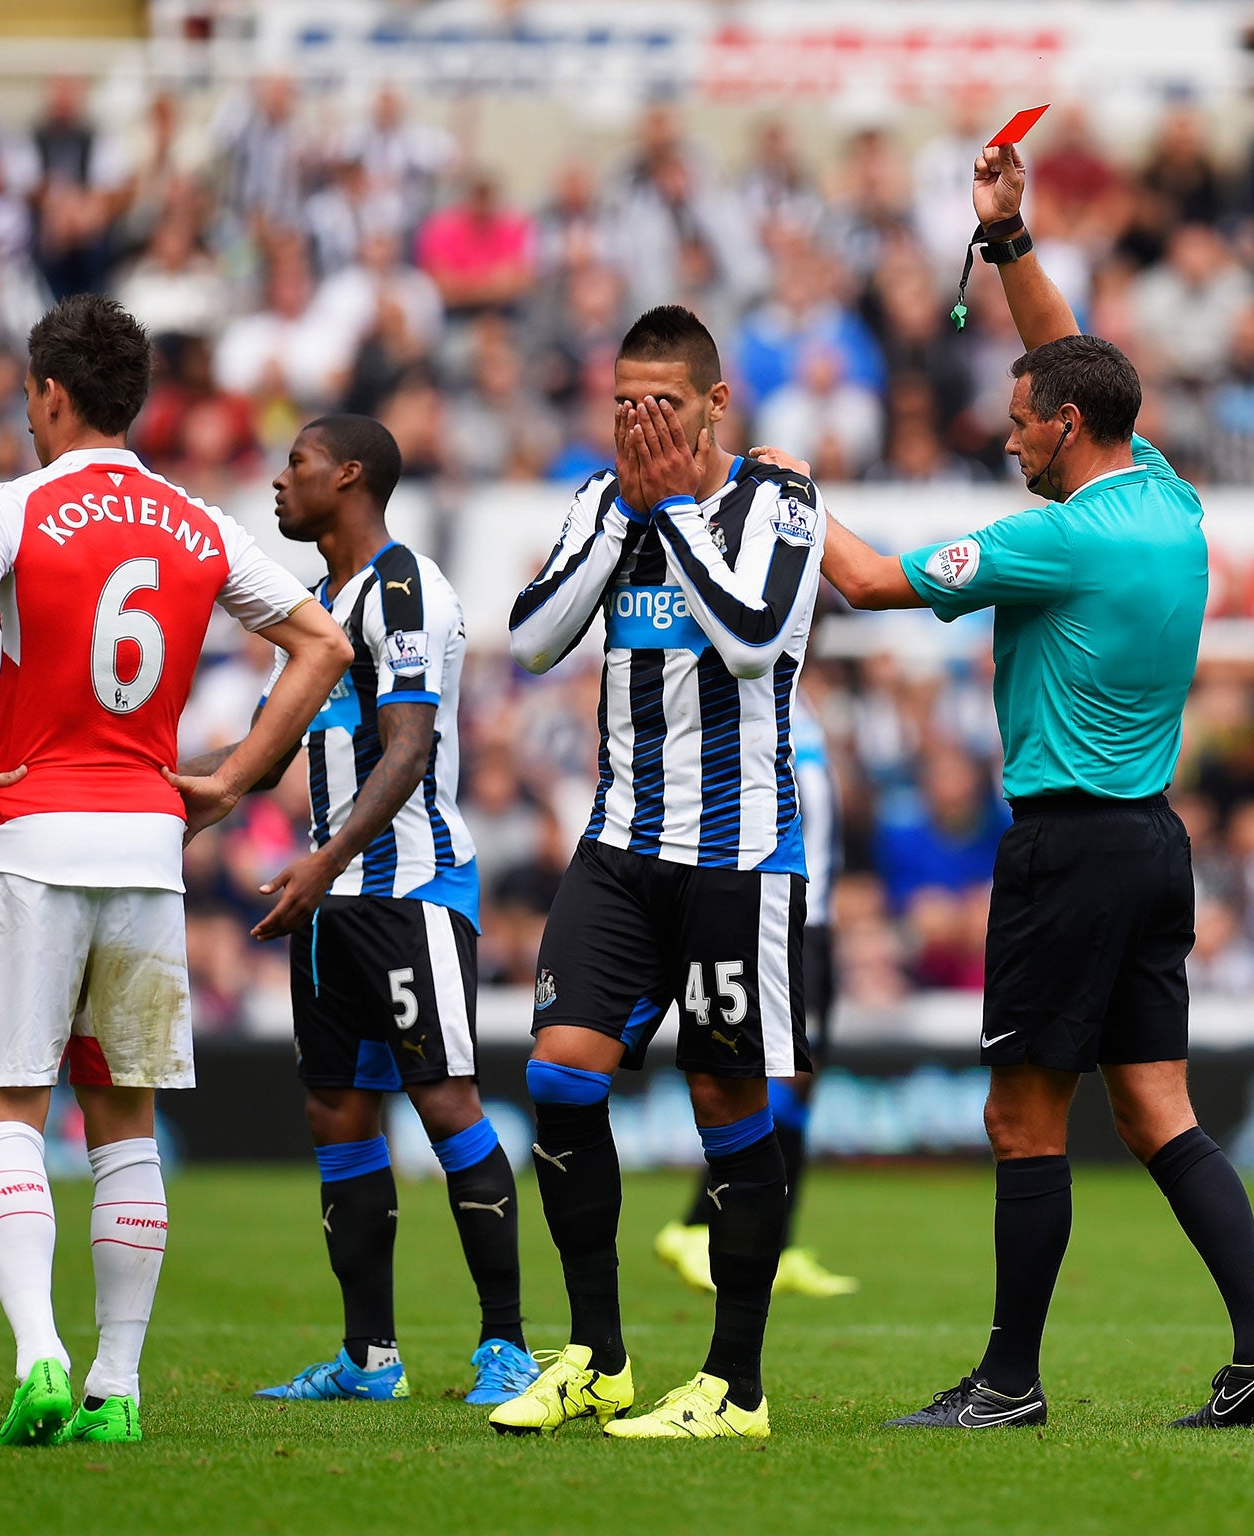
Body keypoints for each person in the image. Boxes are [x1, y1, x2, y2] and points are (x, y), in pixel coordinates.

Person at [808, 143, 1254, 1431]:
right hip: (1150, 840)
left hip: (1065, 851)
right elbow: (1075, 361)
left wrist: (782, 492)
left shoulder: (1048, 539)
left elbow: (864, 585)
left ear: (1065, 432)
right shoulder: (1166, 499)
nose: (1008, 433)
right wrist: (1010, 240)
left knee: (1021, 1116)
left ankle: (1007, 1383)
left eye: (1022, 420)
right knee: (1156, 1109)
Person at [0, 294, 352, 1446]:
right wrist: (237, 777)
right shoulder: (196, 522)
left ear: (51, 396)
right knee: (124, 1127)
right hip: (147, 854)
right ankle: (118, 1386)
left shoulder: (16, 507)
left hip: (26, 839)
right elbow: (325, 644)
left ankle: (39, 1354)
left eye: (29, 399)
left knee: (6, 1105)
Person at [495, 305, 826, 1441]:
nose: (639, 425)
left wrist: (675, 512)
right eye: (623, 404)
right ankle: (597, 1354)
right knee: (557, 1077)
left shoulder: (779, 501)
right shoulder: (599, 501)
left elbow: (750, 633)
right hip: (620, 850)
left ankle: (735, 1385)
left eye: (663, 406)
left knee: (725, 1103)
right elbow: (531, 639)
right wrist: (623, 518)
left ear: (714, 404)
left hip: (738, 858)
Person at [179, 414, 532, 1409]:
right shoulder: (318, 606)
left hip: (408, 890)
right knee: (334, 1109)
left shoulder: (404, 587)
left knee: (444, 1102)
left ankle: (505, 1347)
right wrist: (156, 806)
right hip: (330, 900)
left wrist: (323, 861)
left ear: (347, 475)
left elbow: (409, 746)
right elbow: (254, 757)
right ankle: (368, 1359)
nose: (277, 482)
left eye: (293, 465)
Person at [654, 690, 858, 1299]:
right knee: (775, 1075)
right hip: (787, 909)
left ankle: (781, 1239)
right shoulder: (754, 690)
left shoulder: (804, 697)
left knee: (802, 1075)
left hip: (816, 916)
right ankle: (696, 1224)